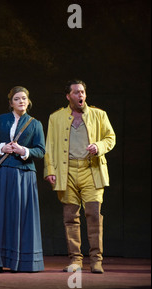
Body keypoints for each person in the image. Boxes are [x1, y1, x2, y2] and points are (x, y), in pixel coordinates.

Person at [44, 79, 115, 274]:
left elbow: (110, 137)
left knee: (93, 215)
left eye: (82, 92)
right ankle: (76, 260)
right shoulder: (56, 118)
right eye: (76, 92)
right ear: (68, 96)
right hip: (66, 173)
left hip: (91, 170)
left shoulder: (99, 115)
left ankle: (96, 260)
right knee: (70, 218)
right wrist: (50, 170)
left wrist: (98, 147)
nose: (80, 95)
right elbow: (49, 146)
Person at [0, 86, 46, 273]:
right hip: (2, 174)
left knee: (21, 217)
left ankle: (21, 262)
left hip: (24, 175)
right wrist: (2, 148)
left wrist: (23, 150)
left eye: (24, 98)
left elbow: (40, 150)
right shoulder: (1, 120)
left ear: (28, 101)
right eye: (17, 99)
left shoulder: (35, 124)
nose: (21, 101)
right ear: (11, 103)